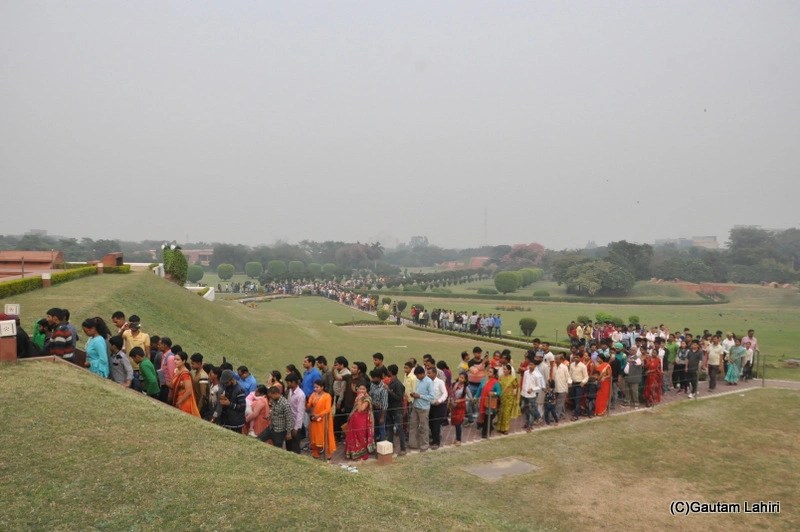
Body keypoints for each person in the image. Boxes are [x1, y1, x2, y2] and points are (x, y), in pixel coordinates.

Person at [306, 380, 336, 459]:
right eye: (314, 387)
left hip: (324, 419)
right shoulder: (313, 394)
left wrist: (318, 415)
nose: (315, 389)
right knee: (314, 434)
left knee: (325, 435)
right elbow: (309, 404)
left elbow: (328, 409)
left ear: (322, 387)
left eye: (317, 387)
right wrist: (307, 405)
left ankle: (328, 453)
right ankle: (315, 451)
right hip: (314, 419)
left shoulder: (327, 396)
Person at [345, 385, 375, 460]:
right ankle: (353, 453)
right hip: (354, 420)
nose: (361, 390)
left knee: (360, 436)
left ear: (366, 390)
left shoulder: (367, 399)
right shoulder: (358, 397)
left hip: (362, 421)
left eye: (363, 389)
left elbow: (360, 409)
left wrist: (360, 399)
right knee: (352, 436)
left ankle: (361, 454)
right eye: (360, 389)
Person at [121, 316, 149, 392]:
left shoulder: (145, 336)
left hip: (138, 369)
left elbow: (148, 353)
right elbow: (118, 338)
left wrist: (145, 367)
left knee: (136, 390)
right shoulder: (126, 333)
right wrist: (123, 328)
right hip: (127, 367)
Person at [408, 366, 433, 451]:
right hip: (415, 406)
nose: (417, 377)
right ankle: (413, 444)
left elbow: (431, 397)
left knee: (424, 427)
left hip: (424, 408)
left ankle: (425, 445)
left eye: (418, 375)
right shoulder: (417, 380)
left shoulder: (429, 382)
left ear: (422, 374)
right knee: (412, 425)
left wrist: (419, 396)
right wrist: (414, 394)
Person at [385, 364, 406, 454]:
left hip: (397, 409)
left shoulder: (397, 384)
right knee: (390, 428)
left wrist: (388, 390)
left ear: (390, 371)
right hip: (390, 409)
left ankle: (403, 449)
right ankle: (389, 447)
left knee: (399, 428)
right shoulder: (391, 382)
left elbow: (399, 397)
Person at [171, 352, 201, 417]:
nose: (175, 361)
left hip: (184, 402)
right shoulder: (176, 371)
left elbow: (189, 391)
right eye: (174, 359)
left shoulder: (185, 374)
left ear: (184, 361)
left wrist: (180, 402)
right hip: (178, 399)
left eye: (178, 360)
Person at [476, 367, 501, 438]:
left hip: (490, 403)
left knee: (488, 417)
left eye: (490, 372)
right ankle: (489, 428)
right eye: (488, 371)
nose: (489, 373)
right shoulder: (483, 380)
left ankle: (485, 433)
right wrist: (476, 397)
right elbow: (479, 389)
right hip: (482, 402)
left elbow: (499, 392)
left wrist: (494, 393)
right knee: (483, 416)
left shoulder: (496, 382)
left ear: (494, 374)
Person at [427, 366, 448, 449]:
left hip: (438, 406)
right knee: (431, 424)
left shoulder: (440, 382)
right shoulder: (427, 382)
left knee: (436, 424)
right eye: (427, 373)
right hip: (429, 406)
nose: (428, 374)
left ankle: (437, 442)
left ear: (435, 373)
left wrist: (439, 401)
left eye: (429, 373)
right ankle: (434, 439)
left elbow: (445, 393)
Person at [496, 364, 520, 434]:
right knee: (501, 412)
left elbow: (516, 387)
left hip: (509, 398)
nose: (504, 370)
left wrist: (514, 394)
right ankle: (499, 427)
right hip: (502, 397)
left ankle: (505, 429)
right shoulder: (500, 377)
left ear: (509, 371)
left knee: (507, 413)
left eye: (505, 369)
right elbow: (499, 387)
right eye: (503, 369)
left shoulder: (513, 378)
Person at [450, 372, 471, 445]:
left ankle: (458, 439)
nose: (460, 379)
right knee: (455, 423)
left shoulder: (465, 388)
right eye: (460, 377)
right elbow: (452, 394)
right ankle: (457, 438)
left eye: (462, 378)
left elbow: (470, 398)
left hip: (460, 407)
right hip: (454, 405)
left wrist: (461, 400)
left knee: (458, 423)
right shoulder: (455, 385)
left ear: (465, 380)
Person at [369, 369, 388, 442]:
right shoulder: (373, 384)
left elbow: (385, 404)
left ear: (379, 378)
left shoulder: (383, 388)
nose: (372, 379)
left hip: (380, 411)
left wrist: (382, 417)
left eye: (374, 377)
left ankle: (383, 444)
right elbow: (371, 394)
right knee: (374, 428)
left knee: (381, 429)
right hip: (373, 409)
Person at [568, 352, 588, 420]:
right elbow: (569, 375)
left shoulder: (583, 366)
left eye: (577, 357)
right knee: (573, 398)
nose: (576, 358)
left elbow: (586, 377)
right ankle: (578, 411)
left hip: (579, 384)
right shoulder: (572, 365)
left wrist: (583, 382)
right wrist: (570, 382)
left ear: (580, 358)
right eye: (575, 357)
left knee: (578, 399)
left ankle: (575, 415)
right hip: (573, 383)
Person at [156, 337, 176, 403]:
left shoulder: (170, 358)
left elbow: (172, 377)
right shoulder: (163, 355)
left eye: (160, 344)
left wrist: (170, 394)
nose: (158, 346)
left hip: (167, 390)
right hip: (163, 386)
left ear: (165, 345)